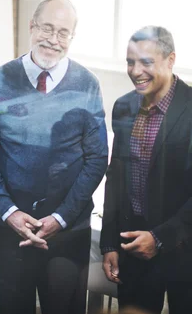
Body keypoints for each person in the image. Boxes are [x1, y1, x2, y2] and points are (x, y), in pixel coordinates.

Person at [0, 0, 108, 314]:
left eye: (63, 32)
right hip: (10, 231)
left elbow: (97, 158)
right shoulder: (1, 78)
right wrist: (9, 212)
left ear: (72, 38)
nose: (53, 39)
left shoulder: (88, 84)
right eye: (47, 28)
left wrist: (60, 218)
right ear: (32, 27)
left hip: (68, 233)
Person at [100, 26, 192, 314]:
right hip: (133, 249)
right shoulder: (124, 107)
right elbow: (115, 179)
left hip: (184, 250)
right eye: (130, 62)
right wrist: (109, 244)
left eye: (146, 62)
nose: (135, 70)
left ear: (170, 59)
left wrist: (161, 237)